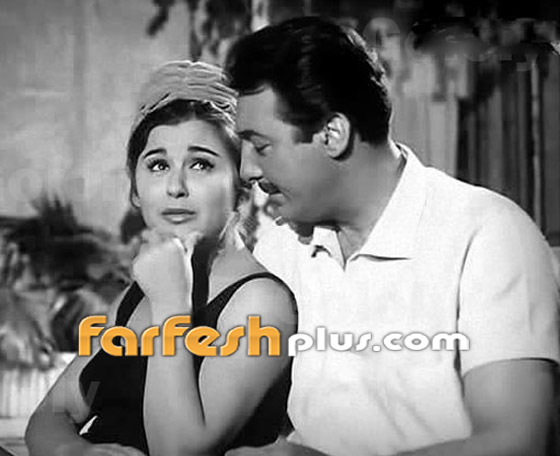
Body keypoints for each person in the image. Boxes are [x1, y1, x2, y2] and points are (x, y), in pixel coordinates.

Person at [225, 16, 560, 456]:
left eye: (261, 146)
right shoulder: (280, 248)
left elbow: (515, 443)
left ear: (332, 134)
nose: (247, 170)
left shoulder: (487, 235)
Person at [25, 60, 297, 456]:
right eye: (158, 165)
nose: (175, 186)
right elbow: (53, 413)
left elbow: (179, 450)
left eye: (201, 164)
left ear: (241, 186)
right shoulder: (137, 295)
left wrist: (171, 305)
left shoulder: (260, 303)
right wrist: (76, 452)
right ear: (135, 190)